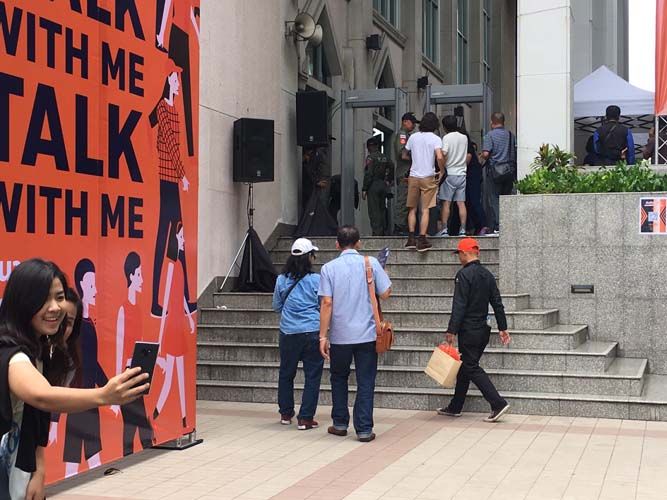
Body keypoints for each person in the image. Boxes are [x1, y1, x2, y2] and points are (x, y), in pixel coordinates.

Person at [0, 259, 148, 500]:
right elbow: (41, 396)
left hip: (17, 469)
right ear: (22, 302)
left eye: (59, 298)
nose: (55, 308)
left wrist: (39, 470)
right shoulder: (11, 353)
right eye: (43, 299)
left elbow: (36, 416)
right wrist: (104, 396)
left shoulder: (39, 350)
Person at [318, 226, 392, 442]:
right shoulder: (371, 263)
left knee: (338, 378)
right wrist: (385, 275)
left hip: (340, 335)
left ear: (337, 244)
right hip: (367, 335)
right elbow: (385, 294)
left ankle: (340, 423)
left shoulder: (328, 268)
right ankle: (364, 429)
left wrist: (323, 336)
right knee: (366, 381)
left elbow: (326, 302)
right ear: (358, 243)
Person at [437, 238, 511, 423]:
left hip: (469, 330)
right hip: (483, 330)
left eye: (459, 254)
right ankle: (455, 406)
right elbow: (497, 303)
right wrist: (503, 328)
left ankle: (498, 403)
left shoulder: (463, 275)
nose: (458, 258)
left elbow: (459, 305)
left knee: (470, 366)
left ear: (465, 253)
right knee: (465, 366)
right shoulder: (487, 275)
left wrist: (451, 330)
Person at [150, 60, 196, 319]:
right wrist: (183, 176)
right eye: (176, 80)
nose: (179, 84)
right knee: (163, 238)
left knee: (179, 239)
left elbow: (175, 146)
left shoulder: (174, 109)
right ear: (169, 81)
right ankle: (156, 301)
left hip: (173, 182)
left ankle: (186, 298)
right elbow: (168, 143)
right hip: (167, 180)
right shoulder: (162, 109)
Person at [63, 259, 117, 478]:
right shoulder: (78, 329)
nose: (95, 290)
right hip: (77, 400)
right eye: (91, 285)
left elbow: (93, 364)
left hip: (90, 400)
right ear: (82, 286)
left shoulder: (88, 325)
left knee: (92, 455)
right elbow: (66, 369)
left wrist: (110, 391)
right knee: (74, 458)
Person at [272, 238, 323, 431]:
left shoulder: (281, 280)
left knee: (286, 373)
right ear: (309, 257)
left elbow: (277, 306)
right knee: (312, 376)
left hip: (288, 332)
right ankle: (306, 418)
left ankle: (286, 414)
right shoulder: (316, 280)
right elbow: (323, 304)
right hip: (311, 331)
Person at [154, 223, 196, 429]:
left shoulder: (179, 265)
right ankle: (158, 410)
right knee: (171, 376)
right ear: (175, 239)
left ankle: (183, 416)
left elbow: (183, 298)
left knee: (179, 375)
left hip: (178, 323)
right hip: (172, 325)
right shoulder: (171, 266)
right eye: (181, 236)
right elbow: (166, 301)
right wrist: (160, 335)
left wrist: (189, 317)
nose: (184, 240)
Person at [116, 252, 154, 456]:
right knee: (135, 423)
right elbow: (120, 349)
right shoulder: (123, 310)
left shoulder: (137, 309)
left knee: (134, 424)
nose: (142, 279)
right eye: (139, 274)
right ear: (131, 276)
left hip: (137, 373)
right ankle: (133, 452)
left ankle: (133, 453)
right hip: (127, 374)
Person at [403, 112, 445, 252]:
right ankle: (422, 239)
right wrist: (442, 170)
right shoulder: (436, 139)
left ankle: (410, 239)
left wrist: (415, 159)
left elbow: (404, 153)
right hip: (428, 176)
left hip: (413, 176)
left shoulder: (413, 137)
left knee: (412, 208)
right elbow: (439, 156)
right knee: (425, 209)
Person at [48, 288, 83, 447]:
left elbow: (52, 402)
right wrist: (104, 395)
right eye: (57, 317)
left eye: (68, 322)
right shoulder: (18, 354)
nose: (60, 327)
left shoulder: (68, 361)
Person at [481, 112, 516, 234]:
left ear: (492, 122)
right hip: (509, 171)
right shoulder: (511, 135)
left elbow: (486, 154)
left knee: (495, 198)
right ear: (503, 122)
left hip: (495, 171)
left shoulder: (489, 135)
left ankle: (498, 226)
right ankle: (508, 225)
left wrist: (481, 156)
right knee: (507, 198)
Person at [436, 115, 469, 237]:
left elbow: (443, 154)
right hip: (462, 174)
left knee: (446, 203)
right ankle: (463, 229)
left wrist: (441, 167)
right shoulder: (464, 137)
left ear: (444, 127)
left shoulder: (446, 137)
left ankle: (444, 230)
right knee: (461, 203)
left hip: (449, 173)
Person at [362, 137, 394, 236]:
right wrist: (389, 180)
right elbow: (392, 166)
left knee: (374, 210)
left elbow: (368, 174)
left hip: (373, 185)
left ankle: (377, 233)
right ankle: (383, 231)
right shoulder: (384, 157)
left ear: (369, 147)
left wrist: (364, 188)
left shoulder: (370, 158)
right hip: (383, 185)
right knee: (382, 209)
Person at [393, 113, 419, 234]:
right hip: (404, 172)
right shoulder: (402, 135)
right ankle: (399, 226)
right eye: (412, 122)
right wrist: (416, 158)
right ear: (405, 122)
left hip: (409, 173)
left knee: (409, 201)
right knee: (403, 201)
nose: (413, 125)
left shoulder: (408, 135)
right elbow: (402, 153)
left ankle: (404, 226)